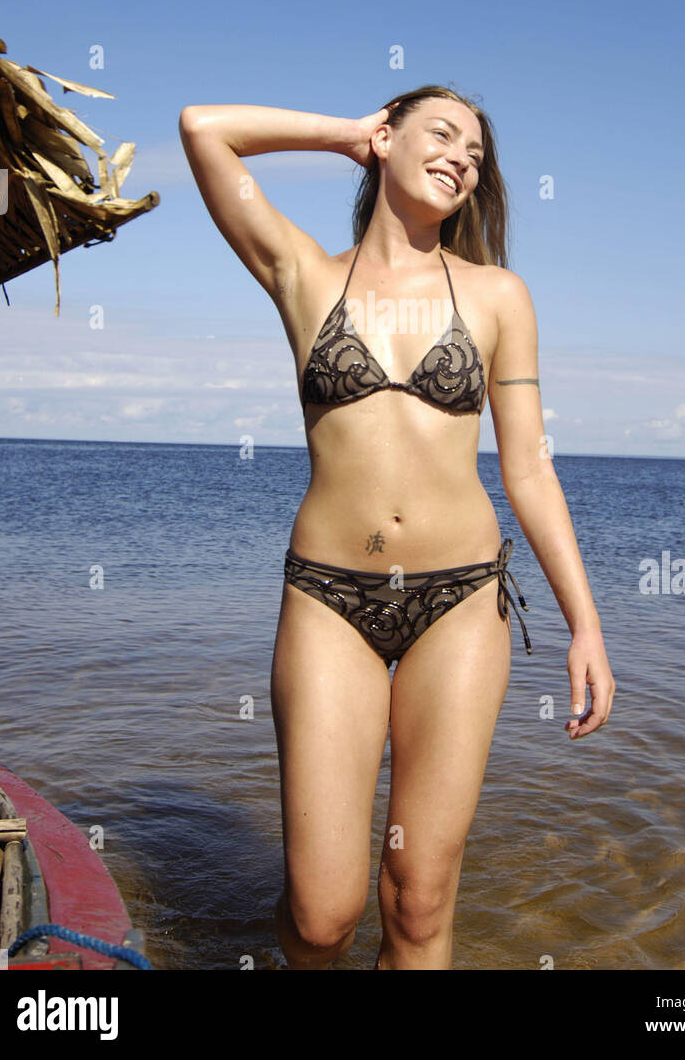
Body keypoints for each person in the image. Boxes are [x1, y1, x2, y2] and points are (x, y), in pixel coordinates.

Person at [179, 84, 615, 971]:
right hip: (328, 599)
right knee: (321, 913)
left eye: (477, 155)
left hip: (460, 602)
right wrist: (346, 134)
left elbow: (527, 466)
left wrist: (585, 624)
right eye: (442, 134)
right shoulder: (303, 273)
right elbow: (204, 131)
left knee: (417, 900)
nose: (462, 156)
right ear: (386, 139)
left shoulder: (498, 297)